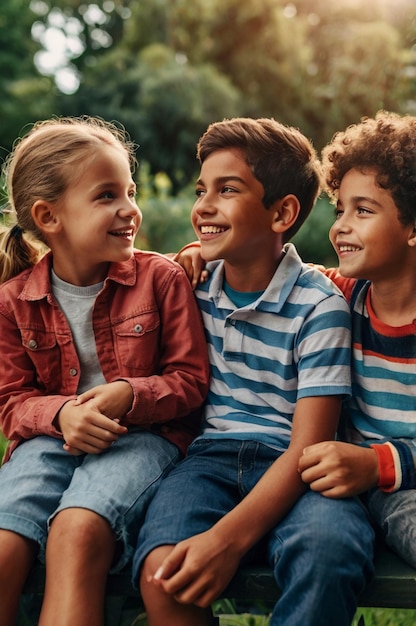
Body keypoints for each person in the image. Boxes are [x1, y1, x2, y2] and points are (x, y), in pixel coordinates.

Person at [133, 117, 375, 626]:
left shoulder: (318, 305)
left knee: (329, 550)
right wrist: (189, 258)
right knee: (163, 571)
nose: (203, 207)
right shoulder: (190, 287)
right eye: (202, 190)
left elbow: (309, 448)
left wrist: (226, 540)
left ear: (282, 212)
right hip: (208, 462)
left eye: (228, 190)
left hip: (300, 468)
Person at [0, 116, 209, 626]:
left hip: (144, 436)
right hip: (49, 441)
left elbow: (190, 382)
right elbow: (12, 402)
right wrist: (62, 415)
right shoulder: (12, 301)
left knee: (77, 530)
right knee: (4, 545)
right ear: (49, 216)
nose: (130, 210)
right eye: (106, 196)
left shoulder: (161, 278)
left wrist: (126, 395)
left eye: (131, 191)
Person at [298, 110, 416, 568]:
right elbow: (265, 270)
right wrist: (194, 256)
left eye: (363, 210)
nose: (340, 226)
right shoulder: (338, 294)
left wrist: (376, 465)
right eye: (340, 208)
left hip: (402, 487)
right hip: (336, 488)